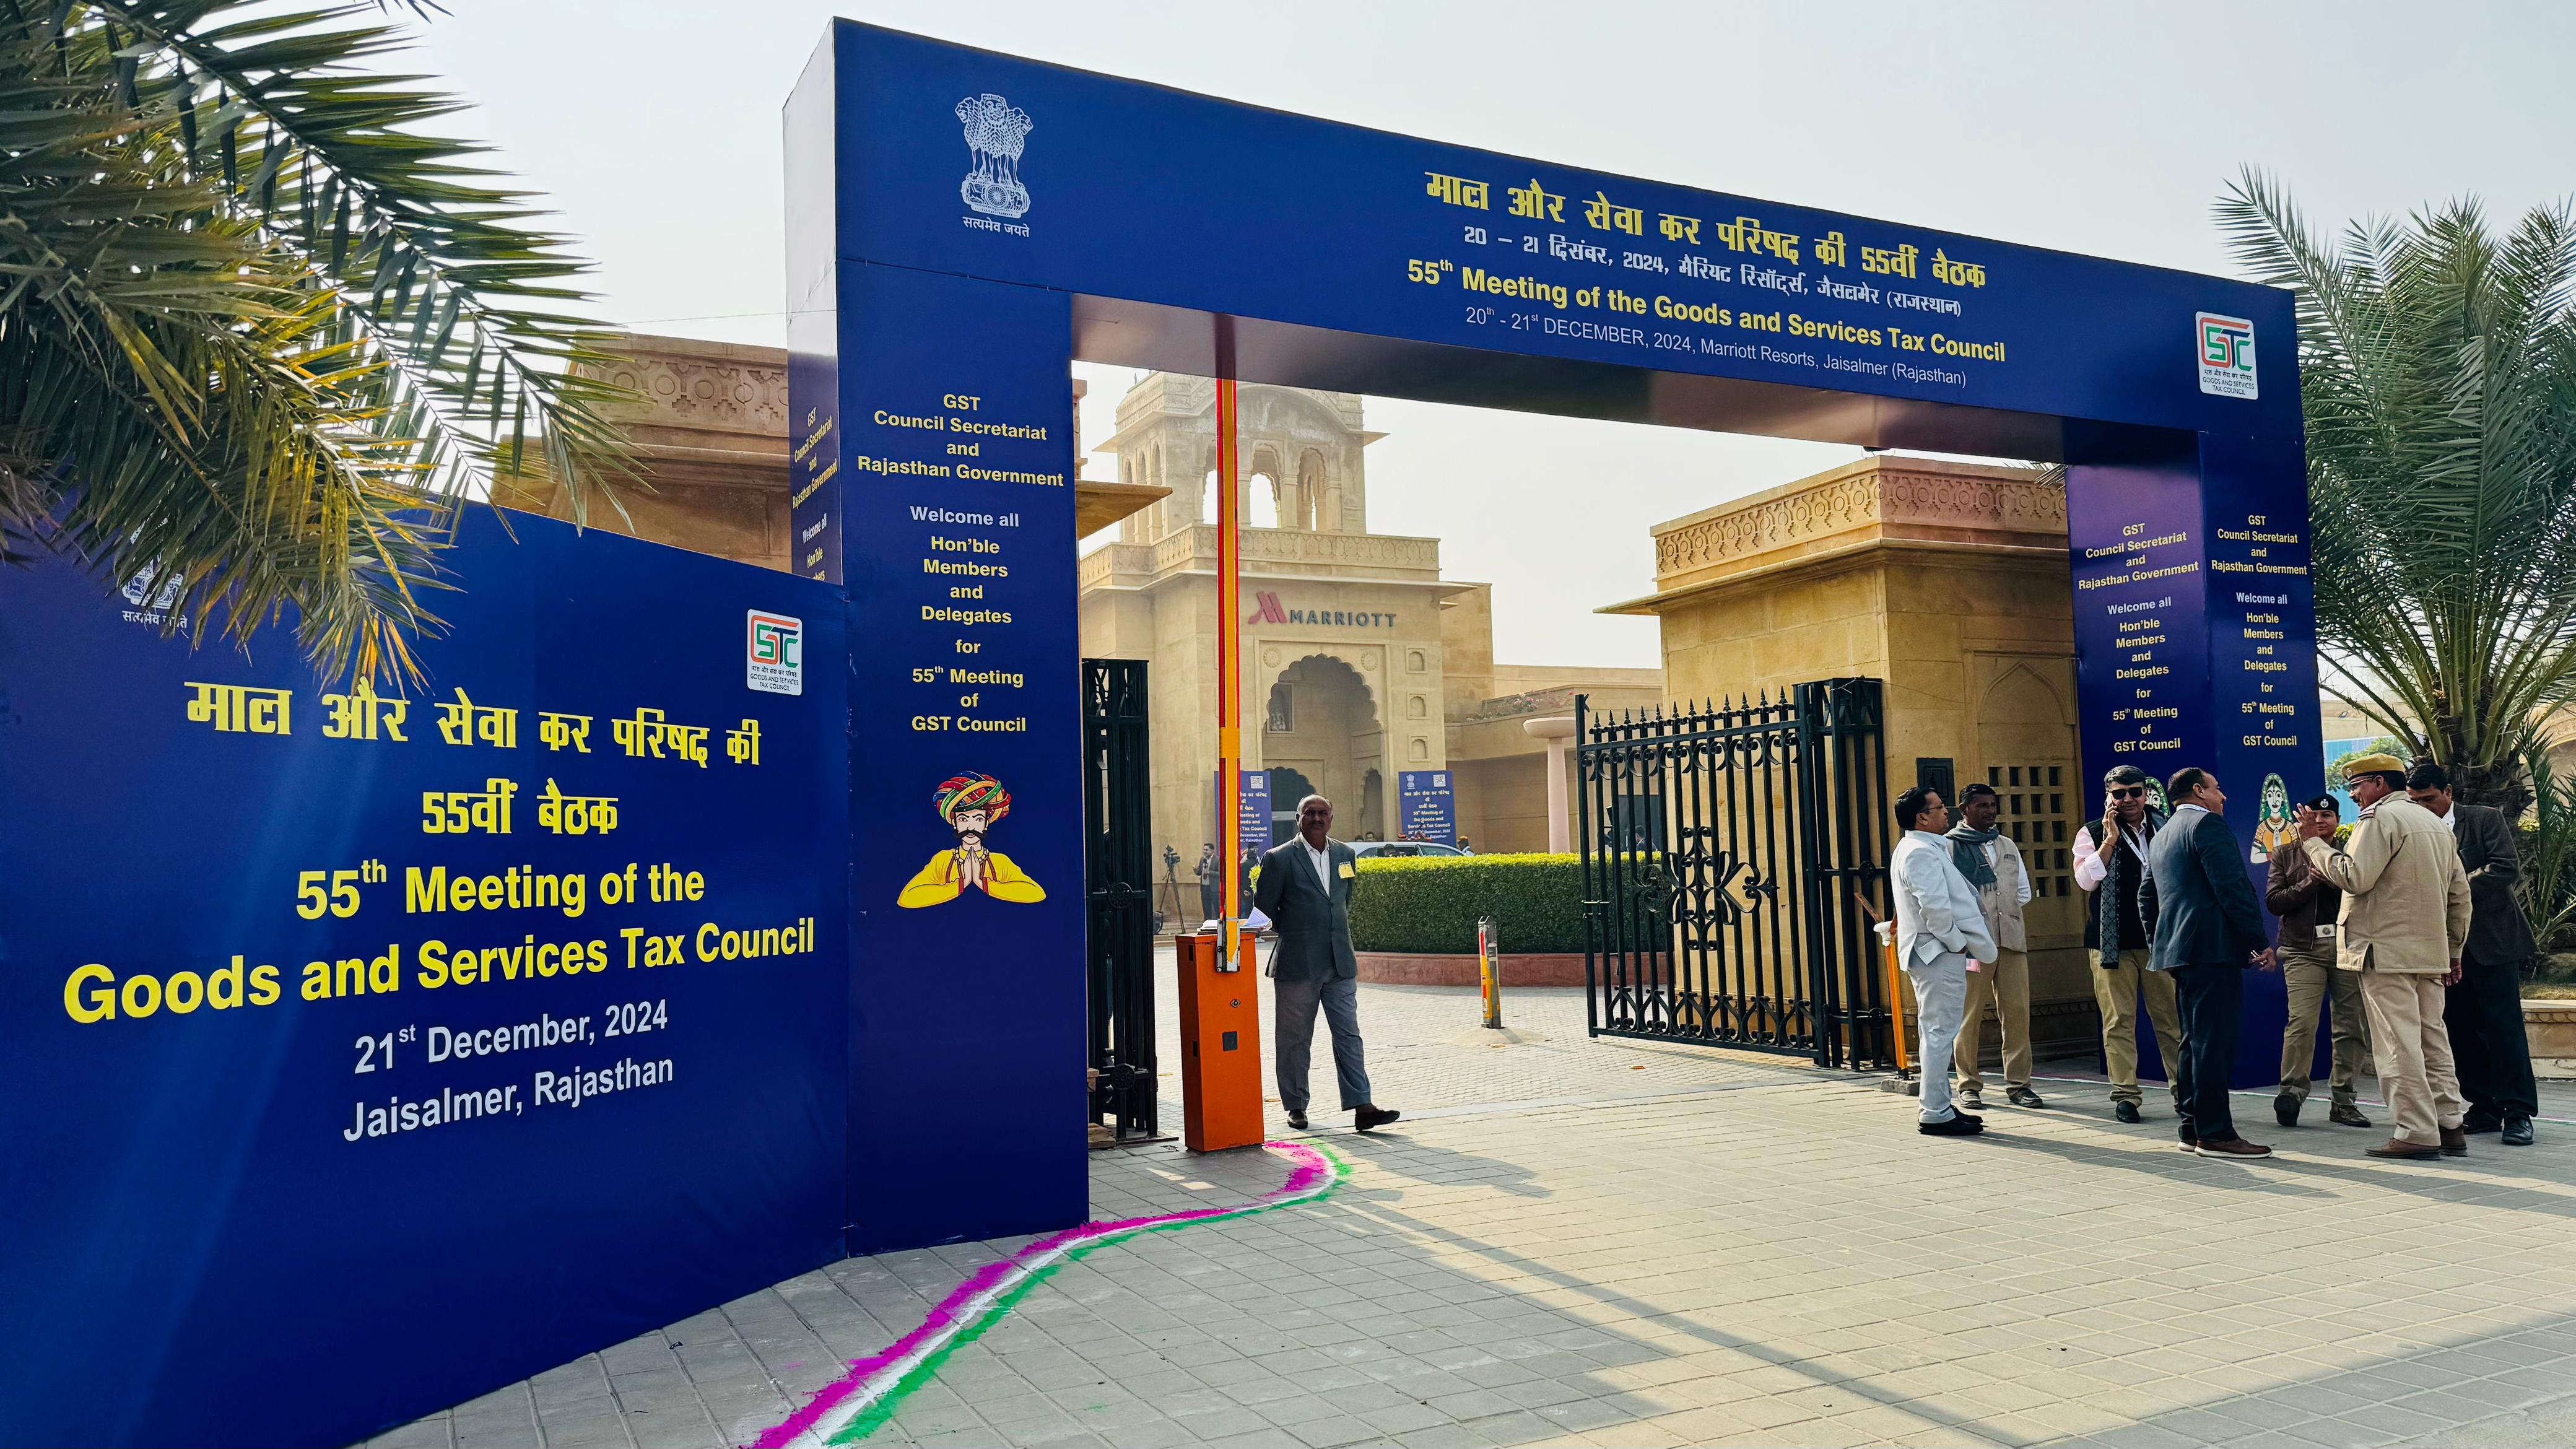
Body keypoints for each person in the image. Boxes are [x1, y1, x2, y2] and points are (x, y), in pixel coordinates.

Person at [2300, 754, 2473, 1160]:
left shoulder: (2378, 819)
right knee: (2432, 1040)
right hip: (2429, 952)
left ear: (2379, 783)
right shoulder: (2435, 823)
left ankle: (2415, 1131)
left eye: (2356, 786)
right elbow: (2460, 896)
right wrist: (2453, 950)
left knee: (2398, 1043)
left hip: (2384, 951)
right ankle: (2449, 1124)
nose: (2353, 795)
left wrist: (2313, 844)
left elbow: (2355, 876)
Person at [2407, 762, 2540, 1146]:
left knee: (2504, 1030)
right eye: (2416, 801)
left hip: (2492, 944)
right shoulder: (2413, 830)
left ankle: (2517, 1112)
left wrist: (2455, 890)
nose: (2423, 807)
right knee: (2459, 1030)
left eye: (2429, 799)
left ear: (2448, 792)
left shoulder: (2484, 819)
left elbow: (2504, 867)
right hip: (2443, 947)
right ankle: (2483, 1107)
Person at [2147, 768, 2278, 1158]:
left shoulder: (2163, 834)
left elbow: (2146, 896)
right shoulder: (2208, 826)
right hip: (2212, 949)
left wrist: (2162, 944)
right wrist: (2257, 941)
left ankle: (2191, 1127)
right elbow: (2232, 886)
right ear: (2199, 791)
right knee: (2213, 1044)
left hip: (2182, 953)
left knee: (2193, 1041)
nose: (2223, 797)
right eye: (2217, 789)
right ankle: (2216, 1133)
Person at [1253, 794, 1400, 1133]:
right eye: (1310, 813)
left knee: (1349, 1035)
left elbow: (1344, 900)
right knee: (1294, 1039)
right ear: (1298, 818)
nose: (1317, 819)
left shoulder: (1346, 854)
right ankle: (1296, 1106)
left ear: (1331, 818)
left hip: (1340, 963)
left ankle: (1362, 1106)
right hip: (1297, 964)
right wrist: (1299, 931)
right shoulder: (1279, 858)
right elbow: (1265, 910)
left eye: (1323, 813)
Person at [2073, 764, 2187, 1123]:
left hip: (2160, 940)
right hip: (2111, 944)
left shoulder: (2165, 827)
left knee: (2170, 1020)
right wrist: (2109, 840)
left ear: (2146, 793)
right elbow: (2087, 881)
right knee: (2118, 1022)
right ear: (2109, 797)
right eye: (2119, 794)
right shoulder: (2092, 832)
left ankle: (2185, 1092)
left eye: (2135, 792)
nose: (2128, 800)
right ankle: (2125, 1095)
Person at [1890, 785, 1998, 1137]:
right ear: (1922, 817)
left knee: (1936, 1032)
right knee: (1939, 1033)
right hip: (1936, 953)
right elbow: (1935, 910)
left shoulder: (1919, 847)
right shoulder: (1920, 851)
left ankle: (1938, 1104)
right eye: (1938, 808)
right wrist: (1958, 945)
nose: (1946, 812)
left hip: (1932, 952)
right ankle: (1935, 1112)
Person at [2265, 794, 2373, 1129]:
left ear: (2338, 820)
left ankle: (2344, 1100)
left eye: (2328, 815)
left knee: (2351, 1025)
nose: (2321, 821)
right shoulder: (2285, 853)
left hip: (2348, 947)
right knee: (2302, 1022)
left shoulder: (2353, 851)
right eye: (2314, 816)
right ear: (2301, 823)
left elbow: (2367, 892)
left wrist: (2334, 876)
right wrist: (2311, 881)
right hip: (2302, 949)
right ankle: (2291, 1094)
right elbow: (2275, 902)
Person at [1947, 783, 2043, 1110]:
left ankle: (2019, 1084)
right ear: (1964, 810)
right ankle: (1968, 1084)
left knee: (2017, 1013)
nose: (1990, 811)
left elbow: (2023, 891)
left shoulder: (2006, 844)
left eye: (1992, 804)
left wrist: (2004, 912)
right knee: (1969, 1014)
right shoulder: (1950, 846)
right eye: (1982, 806)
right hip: (1972, 946)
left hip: (2011, 941)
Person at [1194, 842, 1220, 924]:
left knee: (1217, 908)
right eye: (1204, 850)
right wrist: (1196, 871)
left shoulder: (1217, 860)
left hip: (1214, 888)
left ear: (1212, 851)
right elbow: (1200, 872)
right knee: (1206, 908)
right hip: (1204, 888)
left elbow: (1221, 874)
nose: (1205, 851)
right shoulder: (1203, 859)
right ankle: (1207, 924)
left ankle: (1219, 925)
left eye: (1207, 850)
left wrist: (1209, 872)